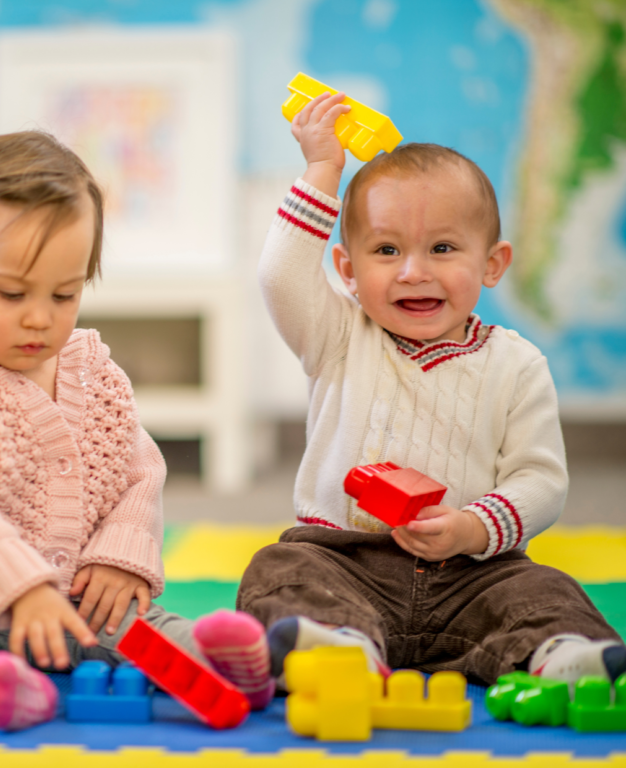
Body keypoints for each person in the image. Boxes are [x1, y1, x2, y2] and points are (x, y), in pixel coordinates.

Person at [0, 131, 272, 731]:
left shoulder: (96, 373)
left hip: (77, 595)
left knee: (134, 623)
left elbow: (139, 471)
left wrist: (121, 556)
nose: (39, 317)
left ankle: (221, 662)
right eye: (12, 294)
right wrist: (20, 587)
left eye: (64, 294)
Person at [237, 92, 626, 688]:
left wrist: (472, 527)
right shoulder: (336, 334)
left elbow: (541, 481)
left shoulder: (517, 365)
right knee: (280, 567)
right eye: (386, 250)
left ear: (492, 264)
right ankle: (341, 647)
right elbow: (280, 276)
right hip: (345, 563)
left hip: (472, 574)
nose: (413, 271)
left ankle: (561, 654)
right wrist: (322, 170)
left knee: (547, 589)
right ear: (348, 270)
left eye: (442, 249)